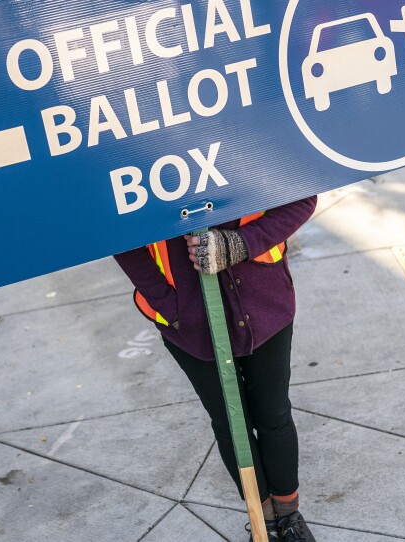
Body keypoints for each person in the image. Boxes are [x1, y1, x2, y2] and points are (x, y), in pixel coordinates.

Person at [114, 196, 318, 542]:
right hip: (189, 324)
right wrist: (173, 306)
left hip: (265, 303)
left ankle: (289, 515)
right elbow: (118, 234)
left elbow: (303, 199)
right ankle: (262, 518)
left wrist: (241, 244)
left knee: (274, 415)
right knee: (229, 423)